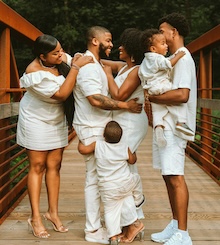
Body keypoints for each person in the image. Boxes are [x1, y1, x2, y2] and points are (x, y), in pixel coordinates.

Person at [16, 34, 93, 239]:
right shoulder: (33, 73)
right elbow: (61, 94)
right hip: (35, 120)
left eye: (61, 50)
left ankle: (53, 213)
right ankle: (35, 218)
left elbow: (76, 58)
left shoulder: (57, 57)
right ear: (42, 56)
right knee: (38, 166)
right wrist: (76, 68)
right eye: (56, 53)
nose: (61, 54)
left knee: (55, 165)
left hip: (56, 118)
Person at [72, 26, 143, 244]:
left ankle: (126, 219)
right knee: (95, 181)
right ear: (95, 41)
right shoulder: (89, 68)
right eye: (108, 40)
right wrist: (124, 105)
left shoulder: (93, 64)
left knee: (101, 178)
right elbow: (95, 99)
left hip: (98, 127)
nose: (111, 45)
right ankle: (93, 230)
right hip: (92, 128)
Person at [146, 13, 197, 245]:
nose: (160, 34)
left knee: (176, 177)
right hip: (166, 124)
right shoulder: (173, 57)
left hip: (176, 125)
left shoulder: (183, 58)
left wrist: (153, 99)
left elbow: (182, 95)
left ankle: (183, 234)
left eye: (163, 30)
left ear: (173, 32)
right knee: (168, 176)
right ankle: (175, 225)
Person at [102, 28, 148, 237]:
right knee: (128, 167)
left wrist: (105, 75)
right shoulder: (122, 67)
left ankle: (134, 221)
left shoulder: (137, 71)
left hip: (131, 122)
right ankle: (134, 218)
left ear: (132, 49)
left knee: (123, 166)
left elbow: (119, 93)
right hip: (121, 119)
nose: (119, 47)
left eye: (123, 45)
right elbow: (100, 62)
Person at [78, 120, 145, 245]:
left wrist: (80, 139)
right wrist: (133, 152)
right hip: (125, 184)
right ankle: (138, 199)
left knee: (110, 211)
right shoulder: (124, 147)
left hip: (108, 188)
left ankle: (113, 236)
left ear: (103, 135)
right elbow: (132, 161)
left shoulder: (98, 145)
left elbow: (83, 150)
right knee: (136, 178)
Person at [138, 28, 193, 148]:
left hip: (151, 88)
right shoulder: (158, 58)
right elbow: (167, 64)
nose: (166, 45)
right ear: (153, 49)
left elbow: (141, 75)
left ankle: (158, 126)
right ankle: (180, 121)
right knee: (174, 98)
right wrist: (178, 56)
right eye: (162, 44)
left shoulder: (145, 61)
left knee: (158, 109)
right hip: (162, 85)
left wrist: (146, 90)